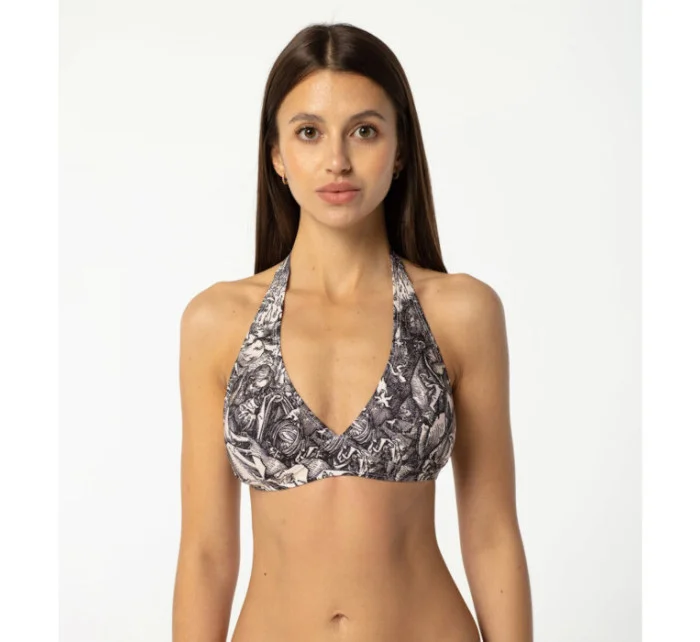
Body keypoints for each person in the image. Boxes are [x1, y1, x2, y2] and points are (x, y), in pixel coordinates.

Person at [172, 22, 533, 642]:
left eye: (364, 130)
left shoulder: (460, 313)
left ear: (400, 149)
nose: (337, 160)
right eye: (309, 132)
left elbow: (492, 532)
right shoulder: (218, 323)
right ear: (276, 155)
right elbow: (205, 553)